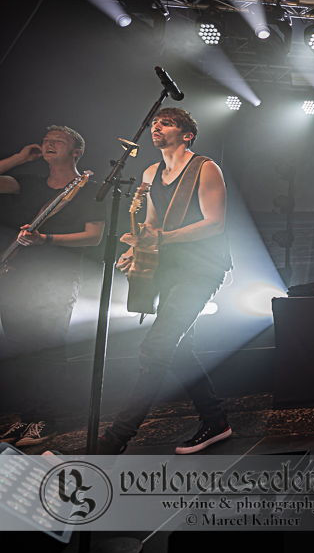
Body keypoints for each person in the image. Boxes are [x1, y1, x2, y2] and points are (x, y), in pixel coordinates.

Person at [96, 107, 234, 454]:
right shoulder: (150, 172)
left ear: (187, 135)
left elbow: (214, 223)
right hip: (168, 268)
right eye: (155, 122)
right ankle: (216, 421)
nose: (156, 126)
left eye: (167, 123)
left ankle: (115, 439)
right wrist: (136, 249)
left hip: (202, 268)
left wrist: (163, 239)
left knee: (156, 347)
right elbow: (153, 225)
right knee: (180, 350)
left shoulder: (205, 168)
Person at [0, 126, 104, 447]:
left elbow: (93, 236)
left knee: (47, 349)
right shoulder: (29, 182)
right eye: (47, 140)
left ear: (77, 152)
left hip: (58, 277)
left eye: (59, 140)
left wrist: (45, 239)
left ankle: (45, 420)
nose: (49, 143)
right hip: (18, 277)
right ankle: (26, 417)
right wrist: (19, 158)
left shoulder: (89, 188)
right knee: (20, 351)